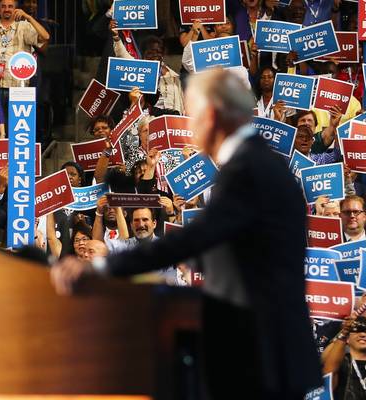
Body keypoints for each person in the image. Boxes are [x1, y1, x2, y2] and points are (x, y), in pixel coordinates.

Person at [50, 69, 321, 399]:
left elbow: (195, 239)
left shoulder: (249, 169)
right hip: (266, 349)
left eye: (194, 116)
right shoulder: (260, 164)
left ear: (213, 116)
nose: (190, 128)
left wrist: (104, 267)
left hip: (265, 351)